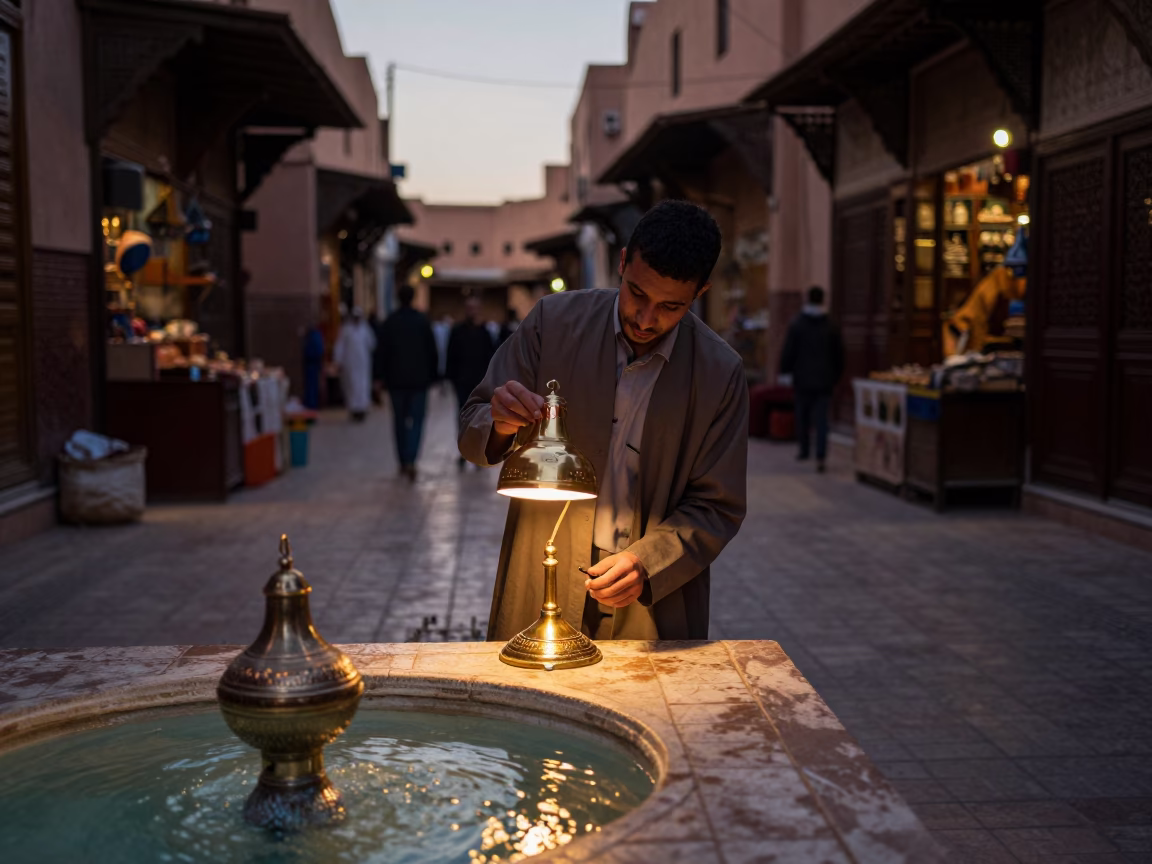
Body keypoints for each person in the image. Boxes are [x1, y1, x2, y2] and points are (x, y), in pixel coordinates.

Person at [459, 199, 749, 642]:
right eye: (637, 293)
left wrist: (648, 562)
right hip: (544, 566)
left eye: (671, 307)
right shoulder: (552, 323)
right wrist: (499, 423)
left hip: (650, 597)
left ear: (701, 293)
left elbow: (717, 505)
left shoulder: (719, 373)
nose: (646, 319)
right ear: (621, 263)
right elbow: (473, 422)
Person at [780, 285, 844, 473]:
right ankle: (821, 455)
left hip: (802, 379)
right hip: (825, 380)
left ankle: (804, 449)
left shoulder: (798, 323)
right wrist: (835, 376)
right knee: (822, 419)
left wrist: (785, 372)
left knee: (803, 416)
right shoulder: (831, 325)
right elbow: (839, 355)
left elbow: (788, 351)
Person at [378, 285, 440, 481]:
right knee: (417, 421)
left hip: (396, 382)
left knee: (399, 421)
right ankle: (411, 457)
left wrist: (380, 379)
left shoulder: (390, 322)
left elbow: (381, 353)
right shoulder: (421, 321)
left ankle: (403, 459)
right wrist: (433, 376)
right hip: (418, 382)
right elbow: (432, 352)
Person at [447, 295, 496, 469]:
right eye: (469, 308)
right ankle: (463, 451)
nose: (471, 311)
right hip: (462, 382)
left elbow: (491, 358)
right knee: (462, 419)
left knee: (480, 420)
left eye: (474, 308)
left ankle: (476, 453)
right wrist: (450, 379)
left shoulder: (484, 332)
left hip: (480, 385)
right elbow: (451, 356)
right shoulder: (458, 331)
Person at [332, 307, 376, 422]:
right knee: (351, 386)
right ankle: (353, 409)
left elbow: (372, 344)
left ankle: (362, 409)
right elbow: (339, 346)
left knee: (363, 386)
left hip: (363, 363)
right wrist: (338, 360)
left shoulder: (365, 329)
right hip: (350, 364)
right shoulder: (346, 330)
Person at [301, 318, 325, 410]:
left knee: (312, 386)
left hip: (312, 364)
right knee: (310, 386)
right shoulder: (312, 336)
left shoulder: (314, 336)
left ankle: (312, 405)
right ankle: (310, 404)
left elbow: (318, 351)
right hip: (311, 364)